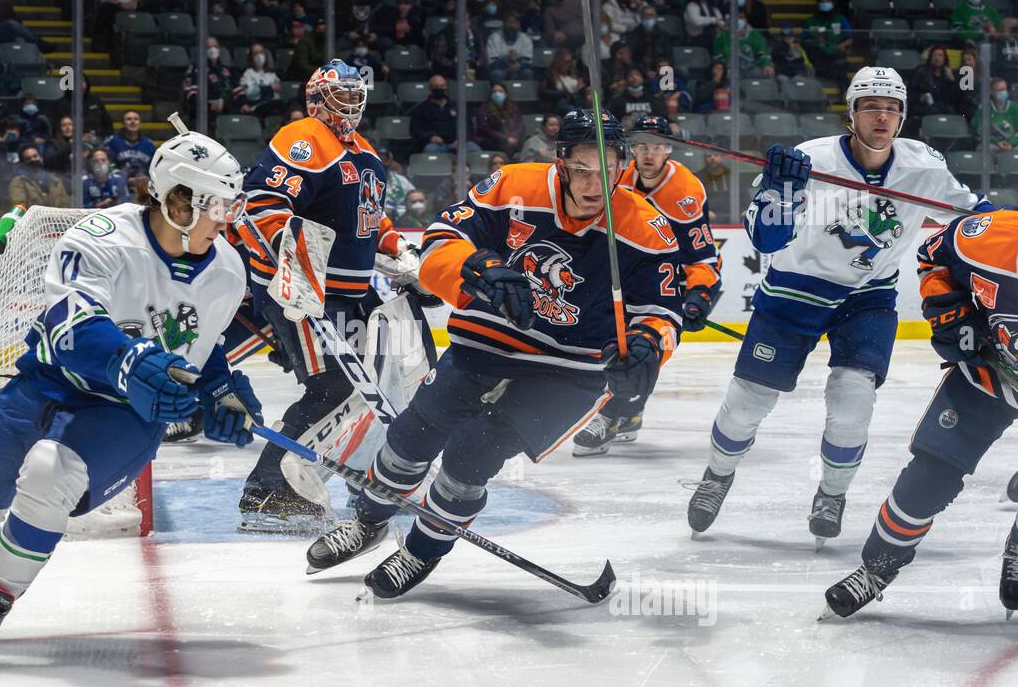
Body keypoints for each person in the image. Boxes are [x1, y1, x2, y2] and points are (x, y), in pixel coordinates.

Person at [0, 123, 259, 669]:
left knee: (51, 474)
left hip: (125, 412)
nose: (225, 220)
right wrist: (131, 359)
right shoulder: (100, 237)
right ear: (177, 200)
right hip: (47, 382)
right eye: (217, 206)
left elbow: (201, 348)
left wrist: (222, 393)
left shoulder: (227, 272)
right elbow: (71, 325)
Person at [303, 109, 683, 598]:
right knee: (410, 434)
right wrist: (475, 267)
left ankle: (421, 550)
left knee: (470, 454)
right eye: (584, 170)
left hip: (569, 371)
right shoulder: (513, 187)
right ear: (561, 163)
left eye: (607, 170)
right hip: (487, 341)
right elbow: (442, 240)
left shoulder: (646, 228)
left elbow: (660, 312)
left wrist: (647, 350)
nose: (595, 184)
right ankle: (369, 521)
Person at [685, 67, 994, 543]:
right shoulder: (811, 159)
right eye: (871, 105)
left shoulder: (925, 167)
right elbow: (766, 239)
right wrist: (780, 192)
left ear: (903, 116)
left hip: (868, 297)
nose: (882, 116)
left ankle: (832, 492)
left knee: (854, 401)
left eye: (892, 108)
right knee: (748, 402)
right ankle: (717, 474)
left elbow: (977, 220)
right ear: (851, 113)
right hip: (793, 290)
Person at [234, 59, 414, 529]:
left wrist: (400, 250)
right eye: (341, 96)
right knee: (332, 387)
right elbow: (264, 204)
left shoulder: (362, 150)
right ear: (316, 98)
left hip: (347, 295)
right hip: (304, 290)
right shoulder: (306, 137)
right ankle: (269, 491)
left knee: (358, 390)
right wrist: (290, 260)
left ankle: (352, 478)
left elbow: (372, 219)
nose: (351, 104)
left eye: (357, 95)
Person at [821, 208, 1018, 617]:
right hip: (990, 372)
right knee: (929, 477)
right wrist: (948, 310)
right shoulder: (988, 237)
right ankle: (877, 569)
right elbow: (933, 255)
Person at [573, 114, 720, 455]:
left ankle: (614, 415)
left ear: (669, 149)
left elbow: (700, 255)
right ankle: (631, 412)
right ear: (632, 149)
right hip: (624, 270)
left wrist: (698, 294)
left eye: (656, 146)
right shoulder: (617, 177)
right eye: (641, 146)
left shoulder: (685, 191)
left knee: (645, 348)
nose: (648, 154)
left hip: (670, 277)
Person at [473, 83, 523, 155]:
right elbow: (483, 128)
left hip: (512, 139)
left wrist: (513, 136)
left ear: (506, 94)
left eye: (500, 91)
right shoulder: (484, 109)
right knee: (502, 143)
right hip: (491, 140)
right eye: (494, 91)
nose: (497, 94)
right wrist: (505, 138)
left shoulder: (514, 108)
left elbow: (520, 125)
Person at [104, 110, 157, 178]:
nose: (133, 122)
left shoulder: (149, 144)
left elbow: (155, 167)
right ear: (123, 124)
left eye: (136, 119)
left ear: (140, 123)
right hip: (118, 182)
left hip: (143, 183)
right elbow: (107, 165)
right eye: (129, 119)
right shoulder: (112, 142)